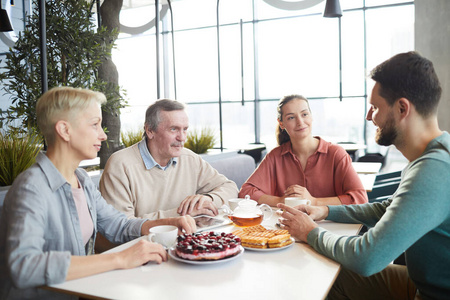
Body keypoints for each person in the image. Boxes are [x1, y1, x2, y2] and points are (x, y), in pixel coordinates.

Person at [278, 51, 450, 300]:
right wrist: (324, 211)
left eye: (375, 107)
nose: (370, 116)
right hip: (421, 286)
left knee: (325, 274)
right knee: (332, 275)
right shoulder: (433, 156)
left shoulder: (433, 170)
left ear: (402, 108)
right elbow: (388, 208)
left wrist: (310, 232)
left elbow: (366, 258)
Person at [0, 87, 196, 300]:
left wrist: (169, 222)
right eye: (94, 124)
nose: (103, 135)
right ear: (64, 130)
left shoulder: (81, 180)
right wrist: (119, 259)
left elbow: (118, 225)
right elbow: (24, 266)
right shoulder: (31, 188)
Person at [99, 99, 238, 220]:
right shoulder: (120, 165)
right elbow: (121, 227)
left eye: (185, 129)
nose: (182, 137)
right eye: (174, 129)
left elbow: (230, 188)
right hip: (139, 247)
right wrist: (184, 214)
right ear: (150, 131)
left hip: (183, 243)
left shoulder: (189, 158)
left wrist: (208, 199)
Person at [239, 94, 368, 206]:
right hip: (286, 229)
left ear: (311, 117)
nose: (300, 122)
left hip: (331, 229)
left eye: (304, 114)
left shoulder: (336, 154)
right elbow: (246, 192)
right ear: (282, 123)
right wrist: (281, 200)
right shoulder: (275, 156)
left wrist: (314, 201)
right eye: (291, 117)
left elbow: (360, 200)